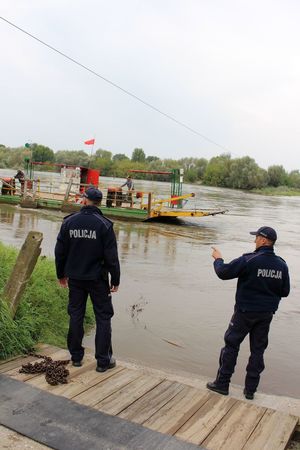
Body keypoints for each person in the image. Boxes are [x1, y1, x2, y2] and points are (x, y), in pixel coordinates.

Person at [207, 226, 290, 400]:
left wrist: (218, 259)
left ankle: (222, 384)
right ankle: (250, 390)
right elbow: (285, 291)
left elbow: (223, 273)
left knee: (231, 345)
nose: (254, 240)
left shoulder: (250, 260)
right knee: (258, 350)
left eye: (256, 237)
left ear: (263, 240)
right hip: (266, 314)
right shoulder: (282, 264)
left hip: (245, 312)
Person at [55, 187, 120, 372]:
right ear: (99, 202)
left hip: (75, 277)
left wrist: (61, 274)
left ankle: (76, 357)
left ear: (84, 200)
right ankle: (103, 362)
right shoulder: (105, 225)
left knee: (76, 315)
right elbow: (112, 257)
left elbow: (60, 251)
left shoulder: (69, 222)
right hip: (97, 279)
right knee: (103, 317)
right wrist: (115, 279)